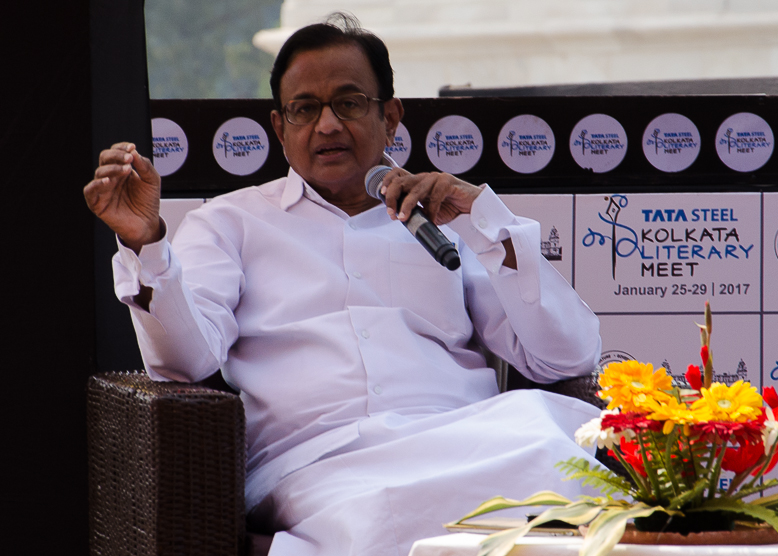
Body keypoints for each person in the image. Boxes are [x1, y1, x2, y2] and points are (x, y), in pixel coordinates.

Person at [84, 13, 602, 556]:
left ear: (391, 117)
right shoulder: (230, 222)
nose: (327, 126)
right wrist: (147, 244)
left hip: (470, 436)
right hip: (319, 460)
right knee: (383, 515)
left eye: (349, 103)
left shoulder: (442, 220)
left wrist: (484, 221)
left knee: (556, 456)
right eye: (305, 110)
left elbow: (564, 358)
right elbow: (183, 364)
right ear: (281, 128)